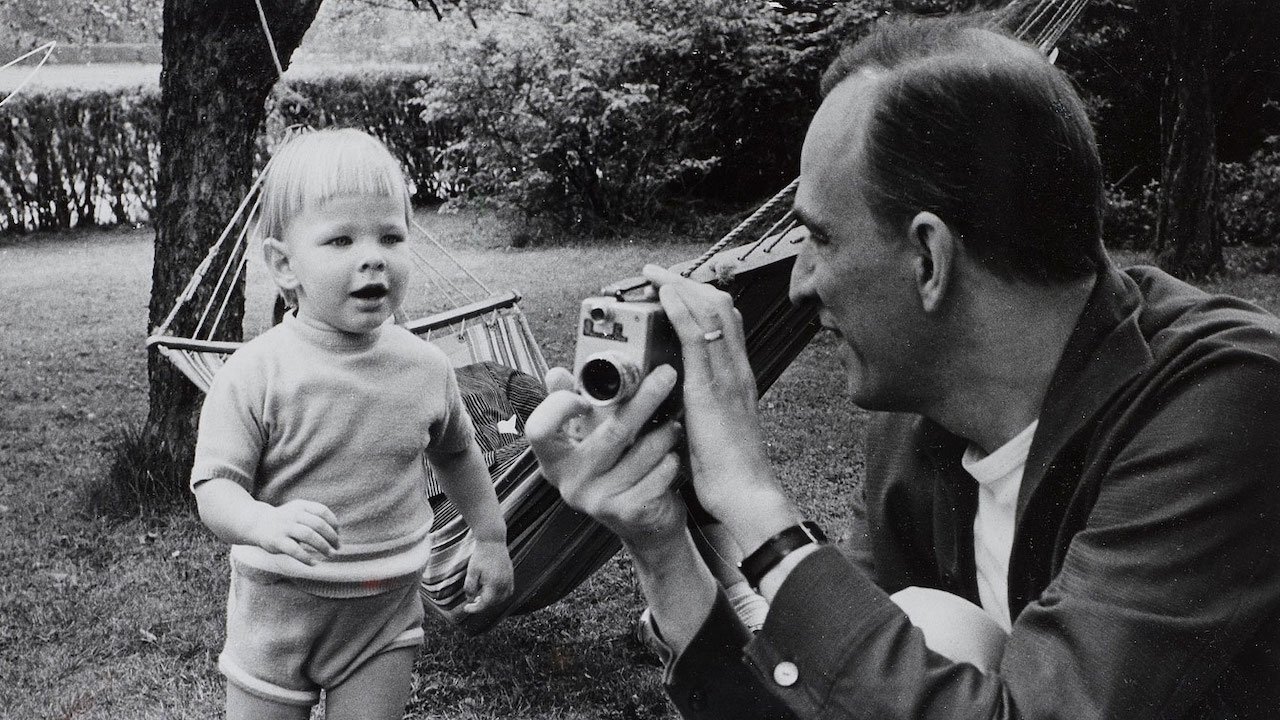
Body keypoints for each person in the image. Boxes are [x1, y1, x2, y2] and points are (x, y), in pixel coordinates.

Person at [525, 13, 1280, 720]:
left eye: (819, 239)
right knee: (927, 627)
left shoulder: (1229, 399)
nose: (797, 285)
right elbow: (830, 699)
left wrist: (753, 502)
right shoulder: (920, 425)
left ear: (928, 258)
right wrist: (659, 545)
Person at [189, 128, 513, 720]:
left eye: (391, 236)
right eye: (341, 239)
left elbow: (458, 454)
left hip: (383, 617)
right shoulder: (255, 373)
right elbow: (214, 489)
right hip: (278, 613)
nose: (373, 256)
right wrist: (262, 521)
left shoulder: (426, 367)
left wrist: (490, 538)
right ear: (284, 265)